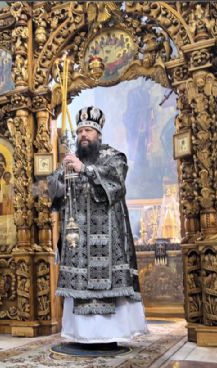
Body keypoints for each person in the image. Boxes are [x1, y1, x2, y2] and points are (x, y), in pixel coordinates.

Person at [48, 106, 148, 347]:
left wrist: (84, 170)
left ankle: (111, 334)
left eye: (88, 130)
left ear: (98, 135)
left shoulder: (114, 157)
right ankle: (81, 335)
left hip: (108, 237)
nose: (83, 134)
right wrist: (59, 178)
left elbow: (116, 181)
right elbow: (53, 191)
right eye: (80, 131)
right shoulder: (71, 160)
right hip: (78, 240)